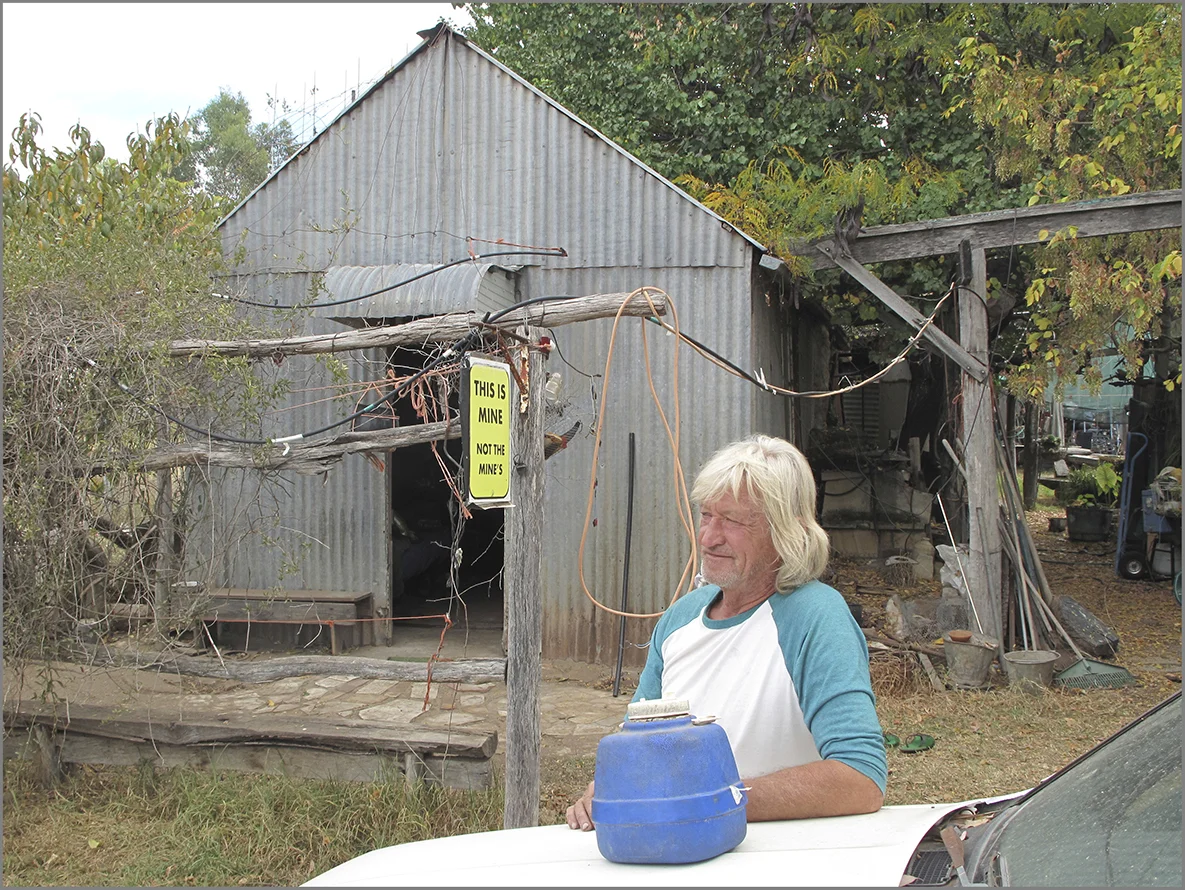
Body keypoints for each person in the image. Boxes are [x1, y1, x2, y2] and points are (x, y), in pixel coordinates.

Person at [567, 434, 887, 830]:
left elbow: (860, 779)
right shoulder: (679, 620)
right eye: (706, 515)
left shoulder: (816, 617)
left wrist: (717, 800)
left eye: (732, 520)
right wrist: (607, 787)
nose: (708, 537)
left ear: (784, 530)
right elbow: (638, 748)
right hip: (677, 852)